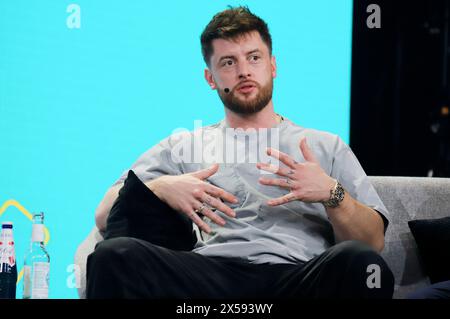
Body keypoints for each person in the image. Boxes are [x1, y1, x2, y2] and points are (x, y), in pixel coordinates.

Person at [86, 6, 394, 299]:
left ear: (272, 65)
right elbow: (103, 215)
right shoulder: (183, 145)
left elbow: (373, 242)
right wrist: (162, 187)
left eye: (254, 57)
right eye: (228, 62)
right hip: (209, 278)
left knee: (361, 263)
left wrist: (331, 192)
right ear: (211, 78)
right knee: (115, 255)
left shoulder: (325, 145)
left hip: (298, 277)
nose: (244, 71)